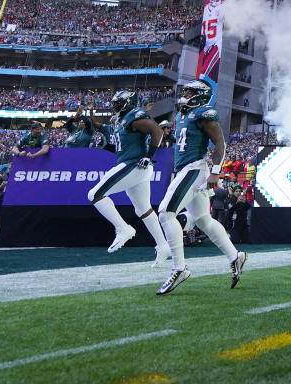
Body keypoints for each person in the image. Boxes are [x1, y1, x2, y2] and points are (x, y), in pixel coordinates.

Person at [156, 79, 247, 295]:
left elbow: (220, 143)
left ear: (200, 94)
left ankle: (179, 268)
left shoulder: (205, 113)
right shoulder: (182, 114)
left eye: (189, 91)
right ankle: (236, 257)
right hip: (185, 169)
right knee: (204, 220)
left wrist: (216, 170)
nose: (185, 94)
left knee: (165, 214)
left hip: (194, 169)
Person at [90, 90, 170, 265]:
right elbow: (105, 130)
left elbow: (157, 131)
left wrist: (149, 156)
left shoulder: (134, 116)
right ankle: (163, 245)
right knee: (143, 210)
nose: (114, 106)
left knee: (95, 194)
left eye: (118, 103)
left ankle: (123, 228)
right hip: (135, 166)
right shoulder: (120, 121)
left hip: (135, 164)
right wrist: (89, 117)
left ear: (128, 103)